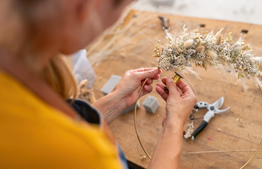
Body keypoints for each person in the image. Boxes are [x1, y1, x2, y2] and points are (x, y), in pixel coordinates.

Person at [0, 0, 197, 169]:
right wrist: (174, 123)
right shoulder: (85, 156)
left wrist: (116, 101)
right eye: (123, 8)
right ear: (87, 8)